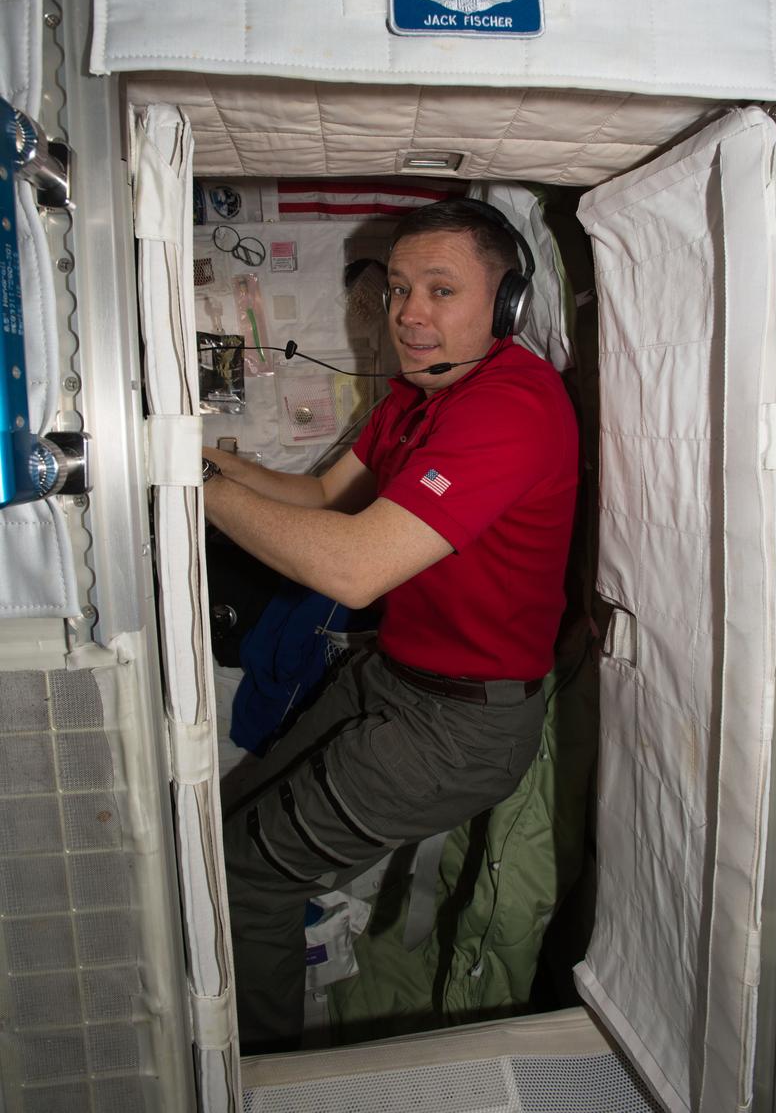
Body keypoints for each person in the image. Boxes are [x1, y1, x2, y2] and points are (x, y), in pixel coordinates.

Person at [202, 198, 579, 1052]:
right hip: (392, 676)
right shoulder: (419, 393)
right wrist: (201, 457)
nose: (409, 312)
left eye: (440, 290)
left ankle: (258, 1079)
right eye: (400, 288)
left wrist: (203, 492)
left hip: (462, 726)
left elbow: (352, 567)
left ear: (507, 304)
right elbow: (324, 495)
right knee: (222, 826)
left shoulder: (512, 405)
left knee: (246, 879)